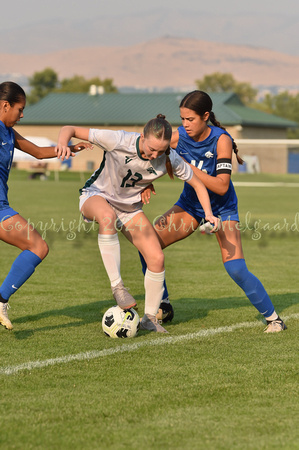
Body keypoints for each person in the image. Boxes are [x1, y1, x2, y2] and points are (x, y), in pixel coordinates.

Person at [55, 114, 219, 333]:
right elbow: (69, 127)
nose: (155, 155)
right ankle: (118, 287)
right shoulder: (119, 140)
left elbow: (198, 185)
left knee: (156, 257)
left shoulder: (170, 158)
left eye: (161, 151)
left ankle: (150, 318)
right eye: (152, 149)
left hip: (129, 208)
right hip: (97, 196)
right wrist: (61, 143)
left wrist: (208, 214)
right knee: (106, 217)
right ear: (142, 136)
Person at [139, 91, 286, 333]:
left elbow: (221, 185)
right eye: (182, 119)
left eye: (190, 119)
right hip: (189, 205)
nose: (185, 125)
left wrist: (186, 169)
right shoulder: (179, 136)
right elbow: (149, 151)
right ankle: (163, 305)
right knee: (147, 246)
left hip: (223, 209)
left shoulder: (222, 140)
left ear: (205, 116)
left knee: (236, 268)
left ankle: (274, 319)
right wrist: (148, 179)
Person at [0, 81, 86, 330]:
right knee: (37, 245)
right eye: (20, 109)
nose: (22, 114)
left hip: (2, 205)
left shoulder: (8, 132)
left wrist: (69, 149)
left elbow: (37, 152)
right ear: (5, 105)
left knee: (38, 247)